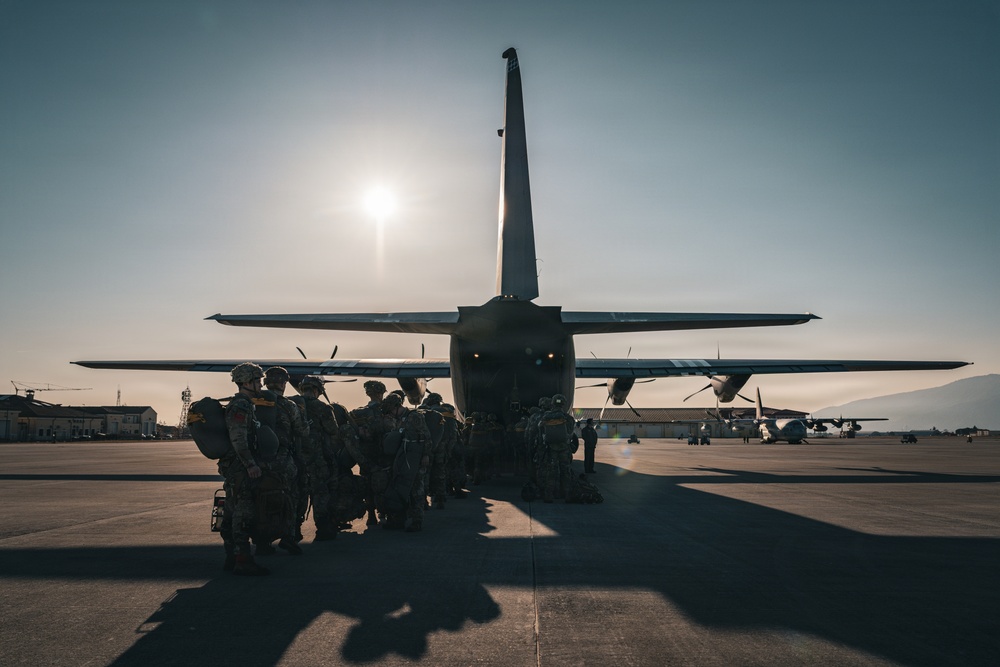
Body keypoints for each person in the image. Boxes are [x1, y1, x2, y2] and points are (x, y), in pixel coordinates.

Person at [219, 362, 270, 575]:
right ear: (247, 382)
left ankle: (231, 556)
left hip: (235, 466)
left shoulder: (243, 403)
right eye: (257, 380)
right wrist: (250, 464)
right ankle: (242, 558)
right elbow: (238, 437)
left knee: (232, 509)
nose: (261, 384)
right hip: (240, 467)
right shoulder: (241, 405)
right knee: (243, 510)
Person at [262, 366, 308, 552]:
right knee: (291, 496)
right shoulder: (289, 405)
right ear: (284, 383)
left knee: (258, 497)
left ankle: (262, 541)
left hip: (256, 460)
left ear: (265, 382)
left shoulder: (251, 401)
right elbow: (302, 431)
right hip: (282, 460)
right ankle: (289, 536)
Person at [296, 376, 340, 541]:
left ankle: (294, 530)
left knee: (298, 493)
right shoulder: (322, 407)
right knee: (320, 493)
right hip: (318, 459)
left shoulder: (292, 405)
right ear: (317, 390)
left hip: (296, 458)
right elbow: (333, 430)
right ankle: (322, 529)